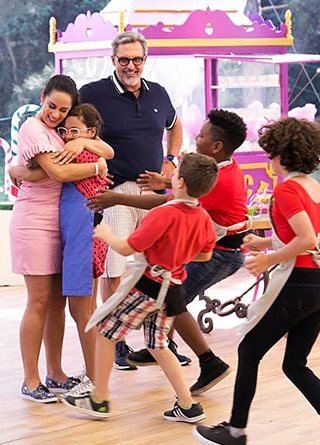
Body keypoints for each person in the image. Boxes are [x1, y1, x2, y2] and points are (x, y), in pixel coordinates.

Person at [89, 108, 250, 394]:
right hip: (218, 250)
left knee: (172, 301)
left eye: (200, 136)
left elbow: (167, 205)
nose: (195, 138)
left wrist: (116, 198)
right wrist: (165, 181)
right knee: (170, 302)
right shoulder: (221, 170)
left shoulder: (215, 184)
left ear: (216, 147)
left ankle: (207, 361)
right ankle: (161, 348)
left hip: (223, 254)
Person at [194, 117, 320, 445]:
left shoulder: (286, 189)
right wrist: (264, 244)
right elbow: (306, 236)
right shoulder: (312, 188)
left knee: (249, 349)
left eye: (271, 154)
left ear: (283, 154)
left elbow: (307, 238)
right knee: (295, 364)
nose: (268, 160)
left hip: (297, 283)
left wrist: (269, 258)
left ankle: (236, 430)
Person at [61, 152, 218, 422]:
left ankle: (99, 399)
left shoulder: (163, 213)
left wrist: (105, 233)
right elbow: (204, 255)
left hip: (150, 285)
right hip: (173, 286)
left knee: (106, 331)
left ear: (178, 182)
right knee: (158, 345)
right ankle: (188, 404)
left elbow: (126, 247)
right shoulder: (202, 216)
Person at [79, 30, 186, 369]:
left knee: (161, 268)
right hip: (116, 194)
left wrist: (171, 159)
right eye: (123, 60)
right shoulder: (93, 94)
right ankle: (117, 342)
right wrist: (97, 166)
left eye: (136, 59)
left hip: (155, 194)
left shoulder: (159, 93)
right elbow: (74, 132)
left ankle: (162, 343)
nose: (130, 65)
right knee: (116, 271)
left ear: (145, 60)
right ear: (113, 61)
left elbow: (175, 125)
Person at [9, 75, 111, 403]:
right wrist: (97, 167)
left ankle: (55, 373)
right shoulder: (32, 129)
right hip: (34, 222)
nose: (55, 114)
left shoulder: (60, 131)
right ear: (42, 96)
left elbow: (103, 149)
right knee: (38, 300)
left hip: (61, 224)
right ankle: (30, 379)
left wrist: (85, 146)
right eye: (51, 106)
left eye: (62, 110)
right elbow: (59, 173)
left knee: (56, 302)